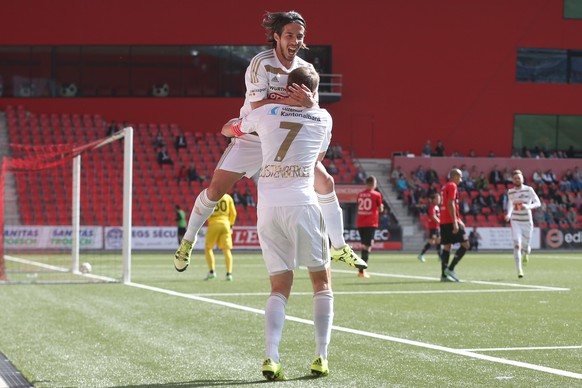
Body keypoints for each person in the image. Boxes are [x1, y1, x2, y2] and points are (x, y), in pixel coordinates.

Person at [174, 10, 365, 273]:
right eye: (289, 35)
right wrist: (290, 101)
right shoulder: (260, 63)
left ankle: (340, 246)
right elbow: (256, 106)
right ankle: (188, 240)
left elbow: (312, 112)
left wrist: (309, 104)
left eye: (300, 36)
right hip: (253, 136)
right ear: (276, 37)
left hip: (286, 140)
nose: (295, 41)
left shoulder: (307, 70)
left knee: (326, 181)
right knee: (216, 189)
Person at [222, 66, 334, 380]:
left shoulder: (267, 111)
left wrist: (240, 125)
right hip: (302, 203)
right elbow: (317, 159)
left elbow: (227, 130)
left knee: (279, 287)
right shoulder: (324, 118)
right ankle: (320, 358)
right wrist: (310, 109)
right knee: (321, 283)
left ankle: (271, 358)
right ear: (313, 91)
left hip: (269, 206)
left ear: (286, 88)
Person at [505, 169, 541, 278]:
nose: (517, 180)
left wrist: (528, 206)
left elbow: (538, 203)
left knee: (526, 246)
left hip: (527, 221)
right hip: (515, 221)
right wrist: (509, 214)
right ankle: (519, 270)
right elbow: (510, 203)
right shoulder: (510, 191)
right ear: (513, 180)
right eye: (515, 178)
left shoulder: (528, 190)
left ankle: (526, 253)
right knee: (517, 245)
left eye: (519, 178)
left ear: (522, 179)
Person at [439, 168, 470, 282]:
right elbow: (451, 203)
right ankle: (450, 269)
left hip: (443, 221)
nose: (461, 180)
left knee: (447, 246)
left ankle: (444, 275)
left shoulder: (444, 187)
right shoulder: (452, 186)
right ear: (455, 176)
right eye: (460, 177)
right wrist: (455, 222)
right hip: (450, 221)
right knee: (465, 244)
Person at [203, 193, 237, 281]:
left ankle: (212, 272)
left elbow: (205, 212)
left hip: (214, 223)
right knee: (227, 250)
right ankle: (229, 274)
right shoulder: (228, 197)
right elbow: (233, 213)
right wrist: (231, 226)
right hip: (225, 224)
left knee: (208, 248)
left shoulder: (211, 196)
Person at [356, 176, 384, 278]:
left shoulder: (360, 194)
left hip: (360, 222)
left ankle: (361, 269)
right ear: (373, 183)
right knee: (367, 246)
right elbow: (380, 209)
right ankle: (361, 271)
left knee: (365, 245)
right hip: (370, 223)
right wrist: (381, 208)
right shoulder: (376, 194)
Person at [417, 193, 442, 262]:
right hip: (433, 227)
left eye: (439, 198)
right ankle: (421, 255)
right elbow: (433, 217)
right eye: (437, 199)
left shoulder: (437, 207)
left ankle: (440, 256)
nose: (439, 200)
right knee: (432, 241)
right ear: (433, 200)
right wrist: (441, 223)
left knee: (438, 241)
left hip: (437, 227)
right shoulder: (432, 207)